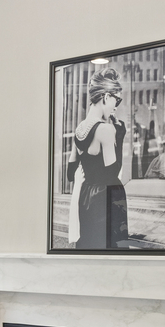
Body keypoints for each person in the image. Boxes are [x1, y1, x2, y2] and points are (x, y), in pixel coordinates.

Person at [69, 71, 128, 248]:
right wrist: (120, 137)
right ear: (106, 96)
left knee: (90, 244)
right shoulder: (105, 130)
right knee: (112, 247)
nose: (116, 106)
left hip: (86, 195)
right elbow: (113, 173)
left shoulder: (79, 129)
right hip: (107, 197)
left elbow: (70, 173)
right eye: (116, 100)